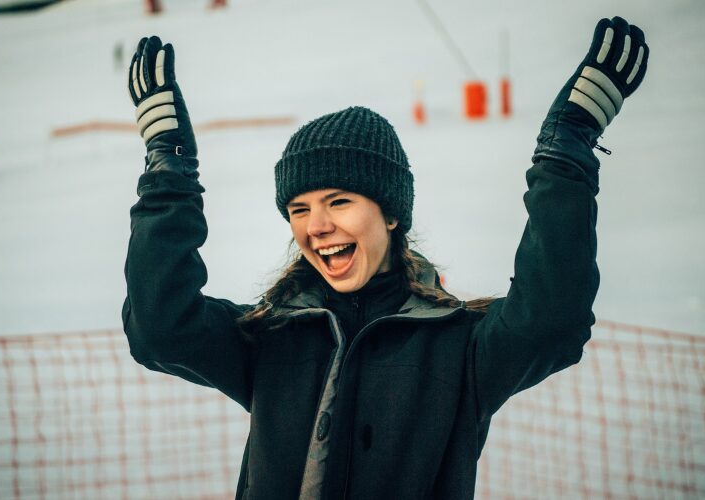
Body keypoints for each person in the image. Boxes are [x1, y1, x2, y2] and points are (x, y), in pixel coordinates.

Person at [123, 16, 648, 499]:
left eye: (340, 202)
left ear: (392, 215)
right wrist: (169, 174)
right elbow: (161, 328)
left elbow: (551, 322)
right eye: (299, 208)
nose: (317, 226)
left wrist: (565, 155)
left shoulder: (455, 346)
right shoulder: (271, 337)